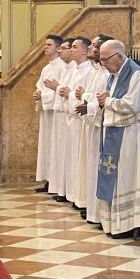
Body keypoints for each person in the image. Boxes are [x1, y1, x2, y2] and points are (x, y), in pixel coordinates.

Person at [95, 40, 140, 239]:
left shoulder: (137, 75)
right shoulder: (113, 76)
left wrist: (107, 101)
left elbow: (133, 106)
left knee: (125, 178)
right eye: (100, 60)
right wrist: (104, 101)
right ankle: (110, 223)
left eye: (105, 59)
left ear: (119, 55)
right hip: (114, 132)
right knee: (113, 177)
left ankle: (125, 225)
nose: (103, 64)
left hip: (129, 136)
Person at [78, 35, 110, 225]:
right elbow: (91, 97)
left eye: (94, 45)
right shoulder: (96, 72)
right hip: (90, 124)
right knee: (89, 167)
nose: (90, 47)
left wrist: (87, 103)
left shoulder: (106, 74)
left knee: (96, 168)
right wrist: (84, 99)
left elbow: (102, 100)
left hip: (99, 127)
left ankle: (97, 212)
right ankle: (91, 208)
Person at [62, 37, 95, 210]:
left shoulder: (88, 71)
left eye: (75, 47)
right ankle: (73, 194)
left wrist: (69, 94)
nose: (71, 50)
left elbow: (86, 95)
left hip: (80, 120)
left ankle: (79, 197)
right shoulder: (76, 69)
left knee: (78, 159)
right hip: (71, 119)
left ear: (84, 50)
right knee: (72, 159)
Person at [47, 40, 76, 202]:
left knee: (68, 156)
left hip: (71, 117)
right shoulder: (68, 69)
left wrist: (57, 88)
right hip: (63, 114)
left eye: (65, 48)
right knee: (60, 155)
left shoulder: (77, 70)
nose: (61, 51)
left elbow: (70, 92)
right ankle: (60, 188)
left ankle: (66, 191)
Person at [34, 35, 63, 193]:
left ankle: (55, 182)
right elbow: (41, 85)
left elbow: (61, 89)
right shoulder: (46, 68)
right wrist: (38, 93)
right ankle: (48, 180)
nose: (45, 47)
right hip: (47, 113)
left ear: (58, 48)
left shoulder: (61, 67)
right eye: (45, 44)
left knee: (54, 147)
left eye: (49, 45)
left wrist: (43, 96)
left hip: (56, 112)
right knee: (46, 146)